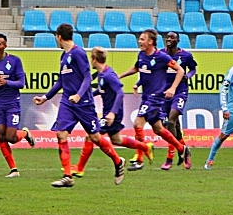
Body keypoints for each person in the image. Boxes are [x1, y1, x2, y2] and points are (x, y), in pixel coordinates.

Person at [33, 23, 126, 188]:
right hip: (67, 103)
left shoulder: (78, 53)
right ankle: (67, 176)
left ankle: (118, 162)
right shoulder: (63, 56)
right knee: (61, 135)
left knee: (96, 138)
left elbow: (87, 78)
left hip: (84, 104)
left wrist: (79, 95)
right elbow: (61, 81)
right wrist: (46, 97)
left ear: (59, 37)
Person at [72, 47, 156, 177]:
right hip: (109, 112)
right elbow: (101, 90)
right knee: (116, 140)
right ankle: (145, 147)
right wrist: (84, 96)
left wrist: (112, 113)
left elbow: (120, 93)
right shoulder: (102, 73)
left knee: (91, 136)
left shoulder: (109, 75)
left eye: (91, 59)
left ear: (94, 60)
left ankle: (79, 168)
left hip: (112, 113)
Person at [117, 29, 190, 170]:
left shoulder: (161, 57)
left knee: (138, 124)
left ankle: (139, 158)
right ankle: (181, 148)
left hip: (155, 98)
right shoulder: (141, 55)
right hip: (146, 97)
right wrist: (120, 76)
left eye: (142, 39)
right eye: (139, 39)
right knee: (158, 129)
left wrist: (173, 88)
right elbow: (136, 68)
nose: (139, 41)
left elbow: (180, 70)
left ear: (150, 41)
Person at [0, 33, 35, 178]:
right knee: (1, 135)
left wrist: (6, 82)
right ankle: (13, 169)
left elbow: (21, 83)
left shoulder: (15, 61)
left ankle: (24, 133)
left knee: (11, 137)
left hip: (12, 103)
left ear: (5, 45)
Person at [160, 32, 196, 170]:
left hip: (180, 92)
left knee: (170, 122)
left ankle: (169, 158)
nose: (169, 39)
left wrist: (188, 75)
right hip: (164, 92)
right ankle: (185, 150)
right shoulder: (160, 55)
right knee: (175, 129)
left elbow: (193, 69)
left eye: (172, 37)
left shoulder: (185, 56)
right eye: (167, 37)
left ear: (178, 40)